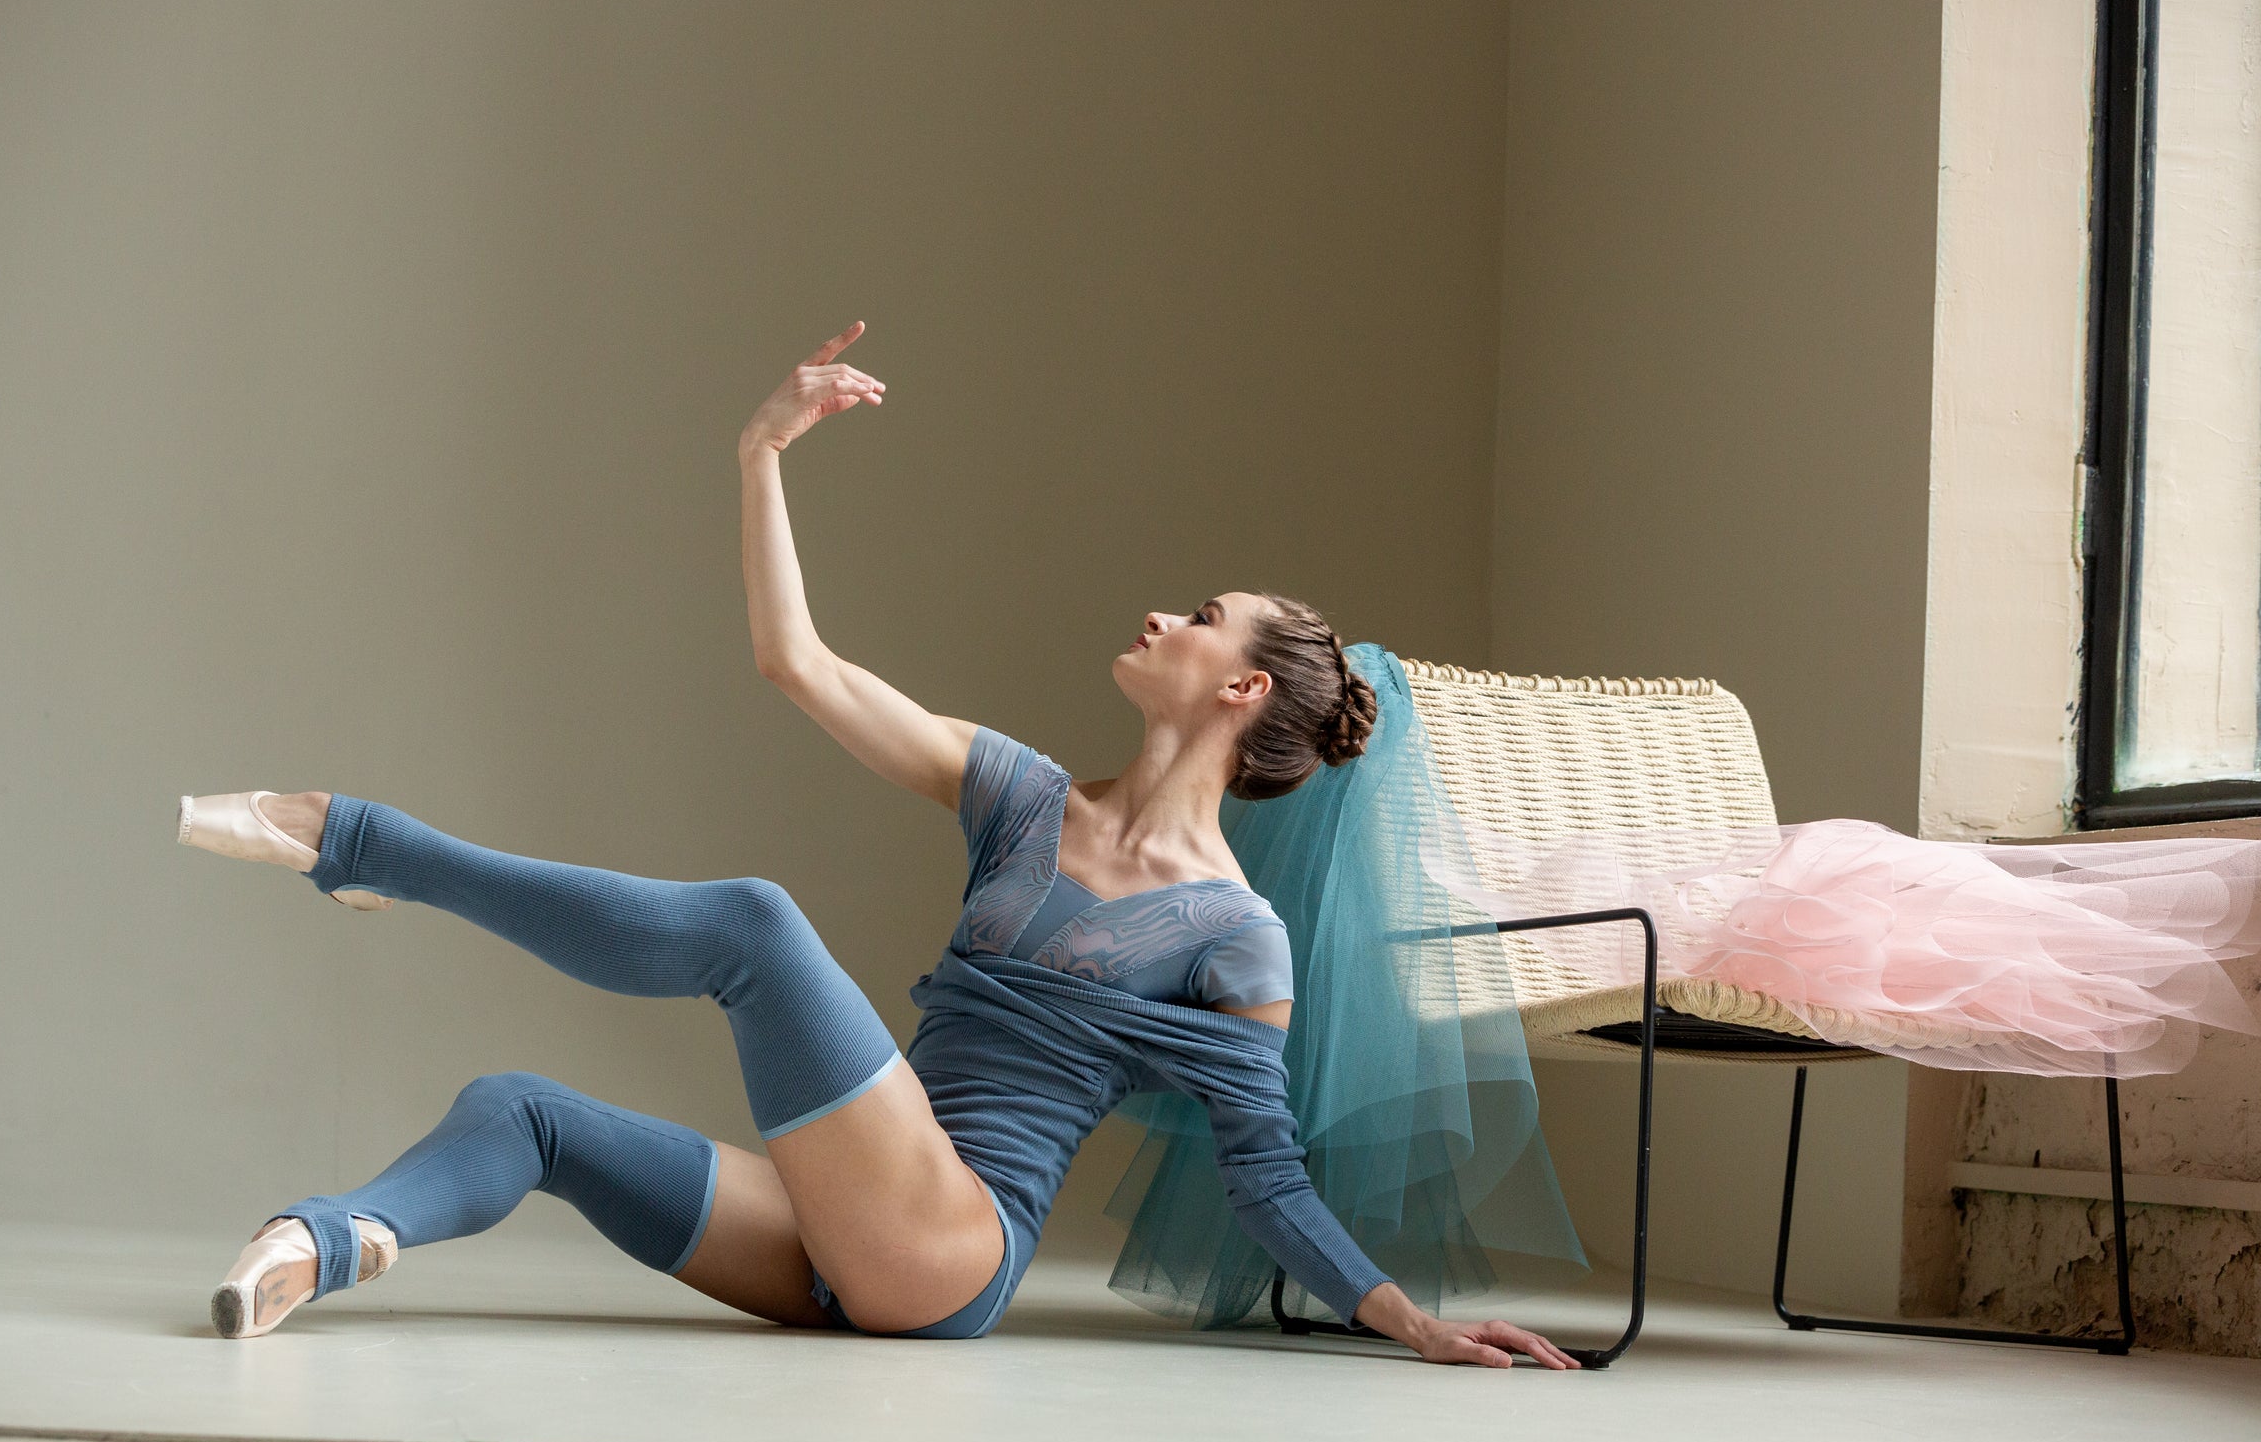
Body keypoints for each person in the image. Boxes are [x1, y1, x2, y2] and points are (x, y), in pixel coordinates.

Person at [180, 323, 1581, 1372]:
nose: (1163, 617)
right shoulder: (1022, 795)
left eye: (1200, 618)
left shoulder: (1235, 936)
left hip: (952, 1252)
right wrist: (760, 456)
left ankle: (367, 845)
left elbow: (1264, 1175)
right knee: (522, 1112)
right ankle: (324, 1239)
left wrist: (1412, 1323)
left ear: (1244, 690)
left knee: (755, 923)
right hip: (837, 1235)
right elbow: (797, 663)